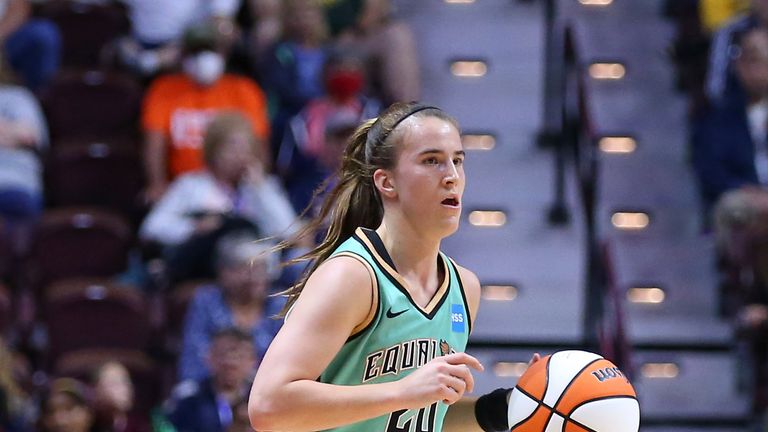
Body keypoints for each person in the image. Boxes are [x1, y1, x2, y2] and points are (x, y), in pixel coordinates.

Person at [248, 102, 537, 432]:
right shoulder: (352, 276)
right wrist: (402, 392)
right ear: (387, 182)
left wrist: (506, 407)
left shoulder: (464, 287)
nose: (452, 176)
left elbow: (420, 417)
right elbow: (268, 406)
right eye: (432, 161)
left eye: (457, 161)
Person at [139, 111, 297, 282]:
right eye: (232, 149)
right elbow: (152, 228)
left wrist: (261, 188)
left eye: (245, 149)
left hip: (258, 274)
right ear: (213, 151)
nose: (240, 156)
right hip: (208, 271)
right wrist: (194, 228)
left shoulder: (263, 187)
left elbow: (289, 231)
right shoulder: (190, 185)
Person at [141, 21, 270, 204]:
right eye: (197, 51)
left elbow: (259, 144)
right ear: (184, 55)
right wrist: (157, 183)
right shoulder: (164, 89)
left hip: (237, 189)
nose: (204, 57)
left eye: (211, 49)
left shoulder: (244, 89)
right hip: (182, 190)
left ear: (224, 53)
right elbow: (154, 144)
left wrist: (256, 186)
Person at [178, 231, 284, 382]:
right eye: (244, 268)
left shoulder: (279, 303)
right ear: (223, 272)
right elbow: (193, 360)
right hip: (211, 390)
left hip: (267, 389)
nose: (254, 276)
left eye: (261, 268)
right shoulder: (206, 300)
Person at [167, 328, 258, 432]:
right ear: (209, 357)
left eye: (240, 356)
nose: (230, 362)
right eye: (223, 354)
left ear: (253, 361)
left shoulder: (262, 400)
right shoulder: (188, 398)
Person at [91, 361, 150, 432]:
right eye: (116, 383)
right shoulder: (87, 423)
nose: (126, 390)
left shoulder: (142, 425)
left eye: (127, 382)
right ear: (97, 389)